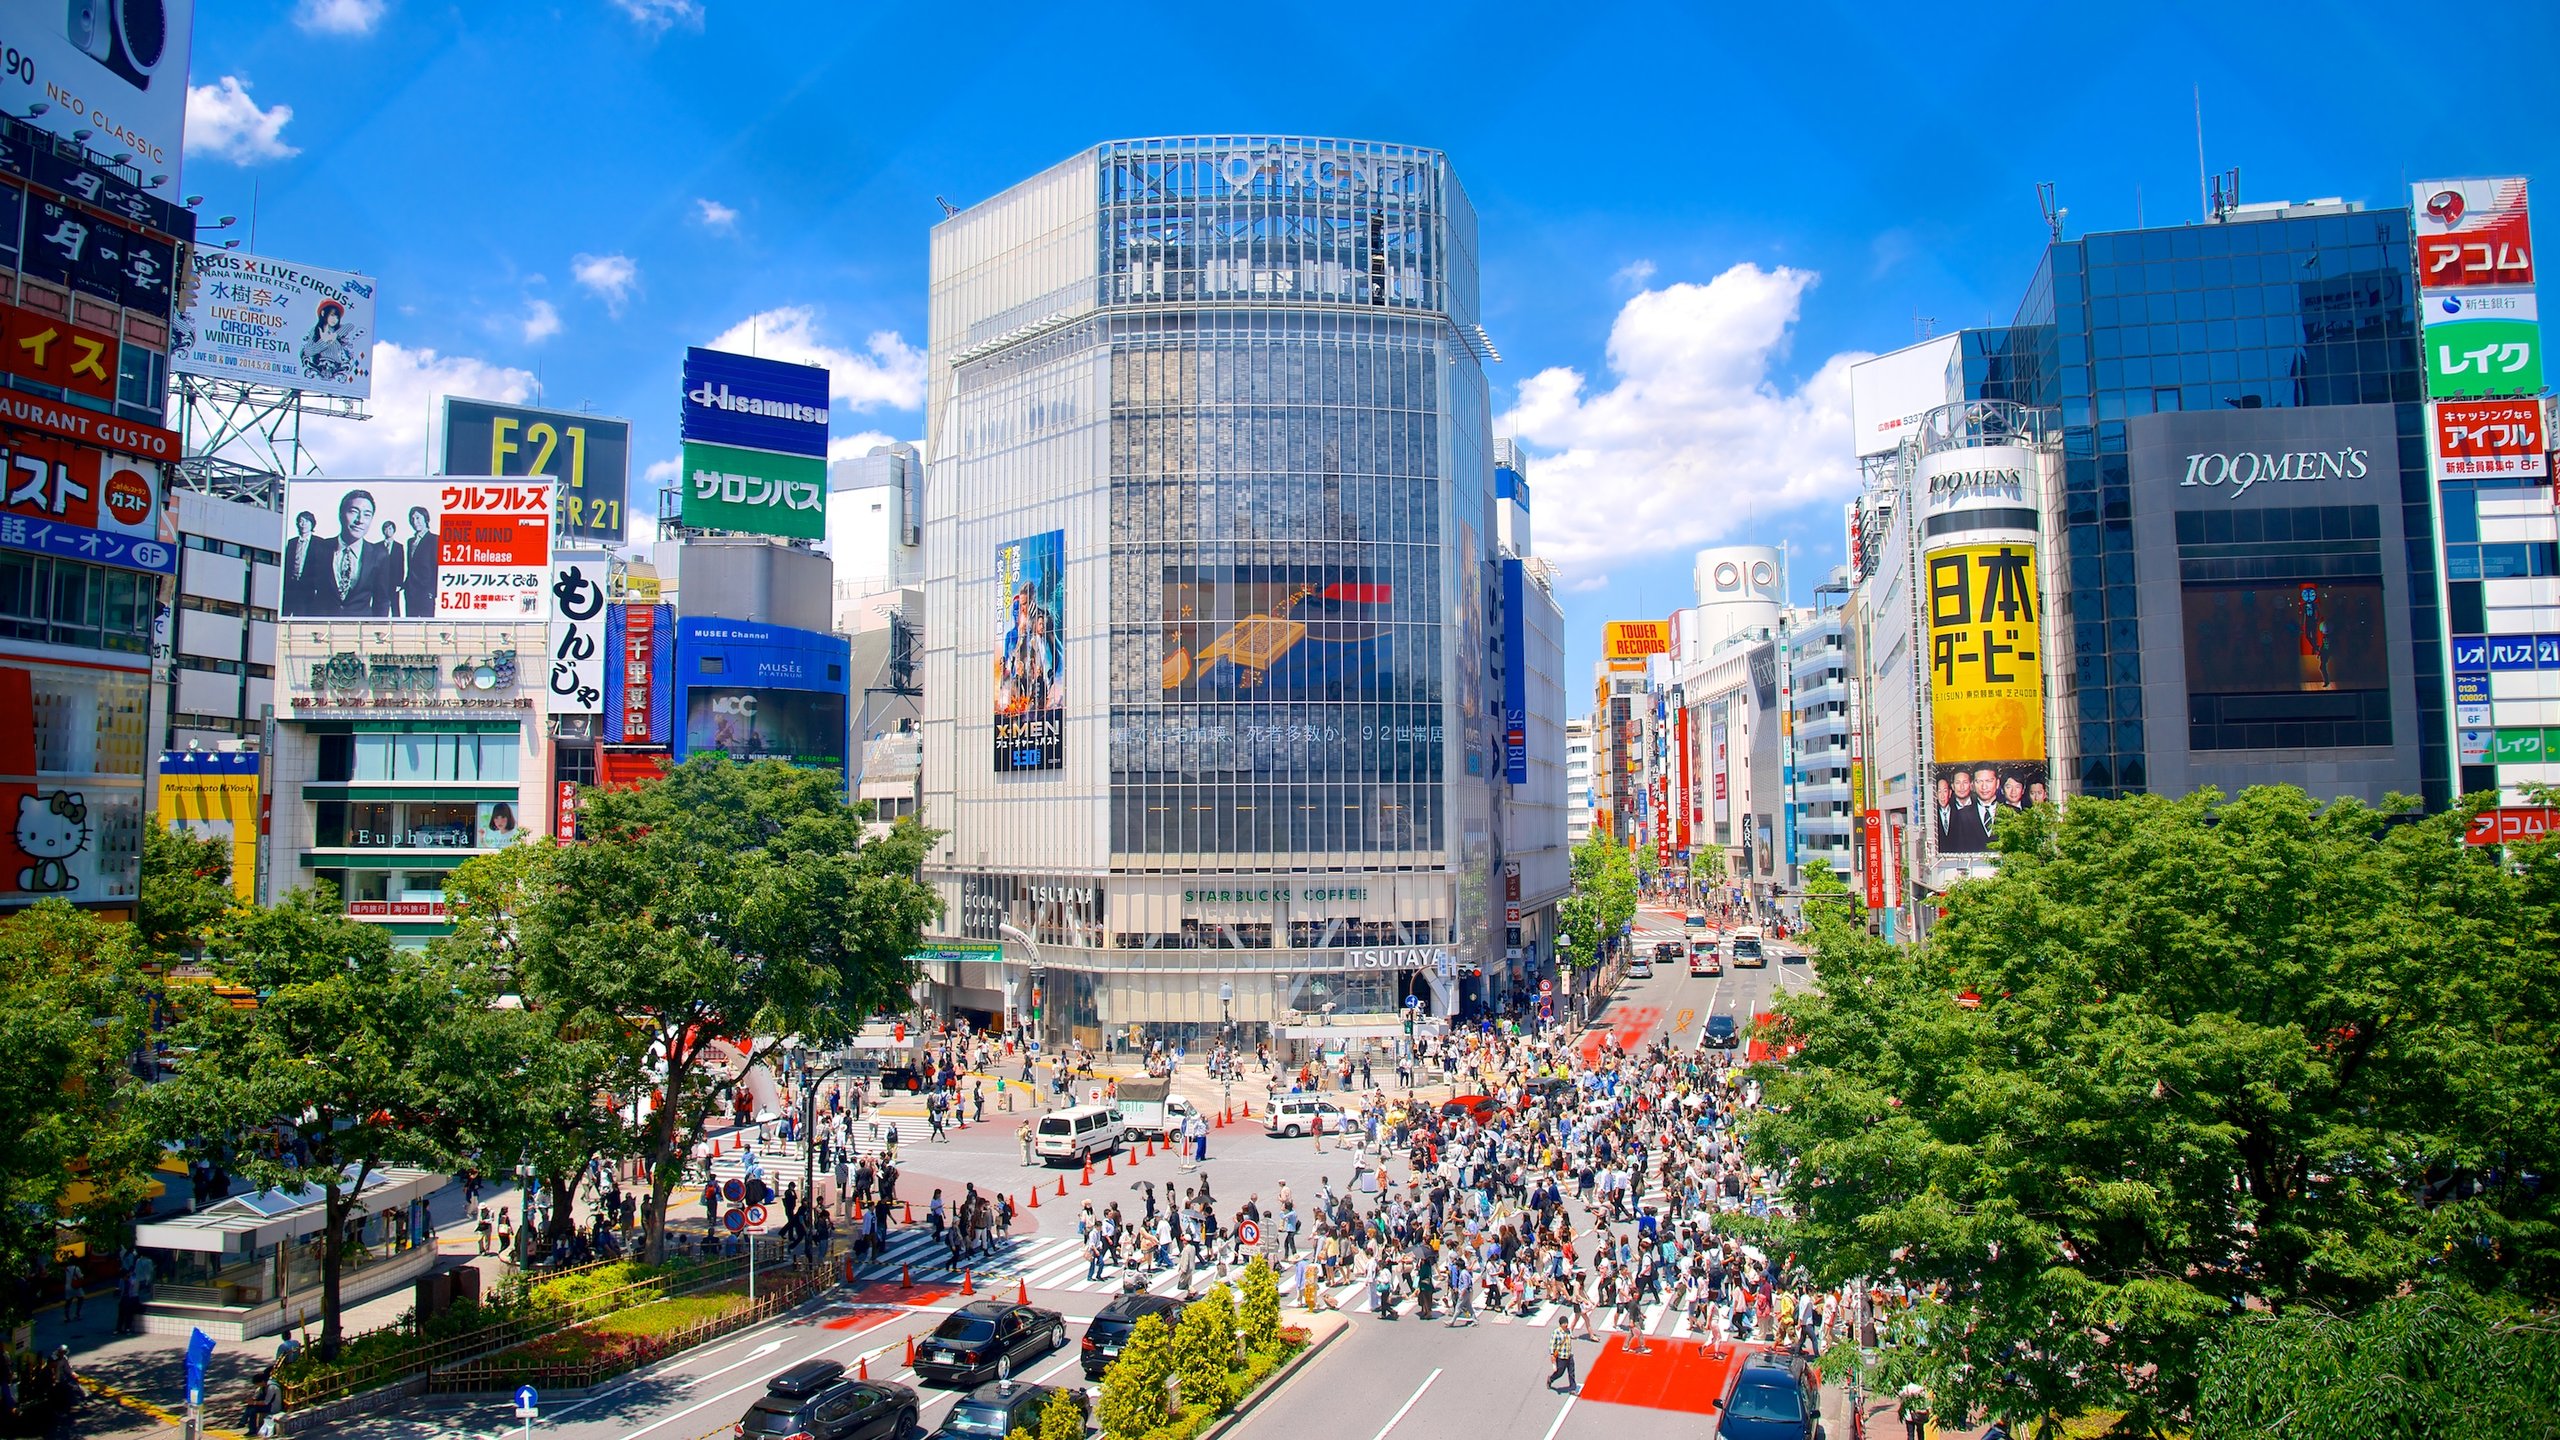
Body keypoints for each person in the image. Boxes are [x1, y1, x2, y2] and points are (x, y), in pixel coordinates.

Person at [304, 488, 398, 617]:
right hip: (321, 628)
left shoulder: (379, 555)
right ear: (341, 514)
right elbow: (305, 590)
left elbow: (381, 600)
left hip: (360, 630)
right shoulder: (319, 548)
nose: (360, 520)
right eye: (354, 512)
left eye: (367, 515)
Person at [396, 504, 438, 617]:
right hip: (410, 591)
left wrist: (432, 591)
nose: (415, 521)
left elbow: (435, 567)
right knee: (411, 626)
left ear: (426, 519)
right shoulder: (410, 541)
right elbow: (410, 566)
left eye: (418, 518)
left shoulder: (435, 539)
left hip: (426, 591)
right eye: (412, 518)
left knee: (427, 626)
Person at [282, 511, 323, 614]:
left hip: (308, 587)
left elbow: (322, 567)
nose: (303, 524)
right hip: (291, 585)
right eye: (301, 521)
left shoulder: (319, 542)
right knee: (286, 613)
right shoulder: (291, 542)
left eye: (307, 521)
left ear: (312, 524)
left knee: (303, 615)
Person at [1548, 1318, 1577, 1392]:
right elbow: (1552, 1344)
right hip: (1561, 1356)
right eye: (1564, 1323)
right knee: (1560, 1372)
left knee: (1571, 1372)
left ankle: (1572, 1388)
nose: (1566, 1324)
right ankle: (1551, 1379)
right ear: (1561, 1324)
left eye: (1567, 1323)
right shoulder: (1556, 1332)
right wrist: (1552, 1355)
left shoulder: (1568, 1331)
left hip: (1569, 1355)